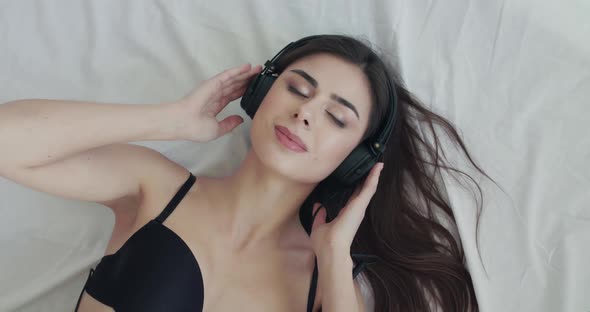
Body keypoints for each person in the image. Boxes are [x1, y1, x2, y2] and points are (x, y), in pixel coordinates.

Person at [0, 34, 494, 311]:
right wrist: (169, 120)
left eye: (337, 117)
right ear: (260, 95)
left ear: (358, 158)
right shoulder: (155, 188)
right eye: (299, 89)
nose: (306, 114)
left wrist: (336, 258)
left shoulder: (328, 282)